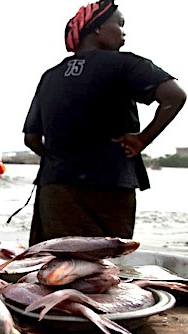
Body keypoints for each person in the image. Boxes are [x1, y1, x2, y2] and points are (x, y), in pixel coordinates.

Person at [23, 0, 186, 246]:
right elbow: (175, 96)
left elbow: (31, 138)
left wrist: (61, 158)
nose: (124, 33)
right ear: (97, 27)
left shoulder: (50, 76)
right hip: (110, 186)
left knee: (53, 268)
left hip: (56, 189)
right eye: (119, 24)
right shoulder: (126, 65)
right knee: (104, 270)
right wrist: (142, 139)